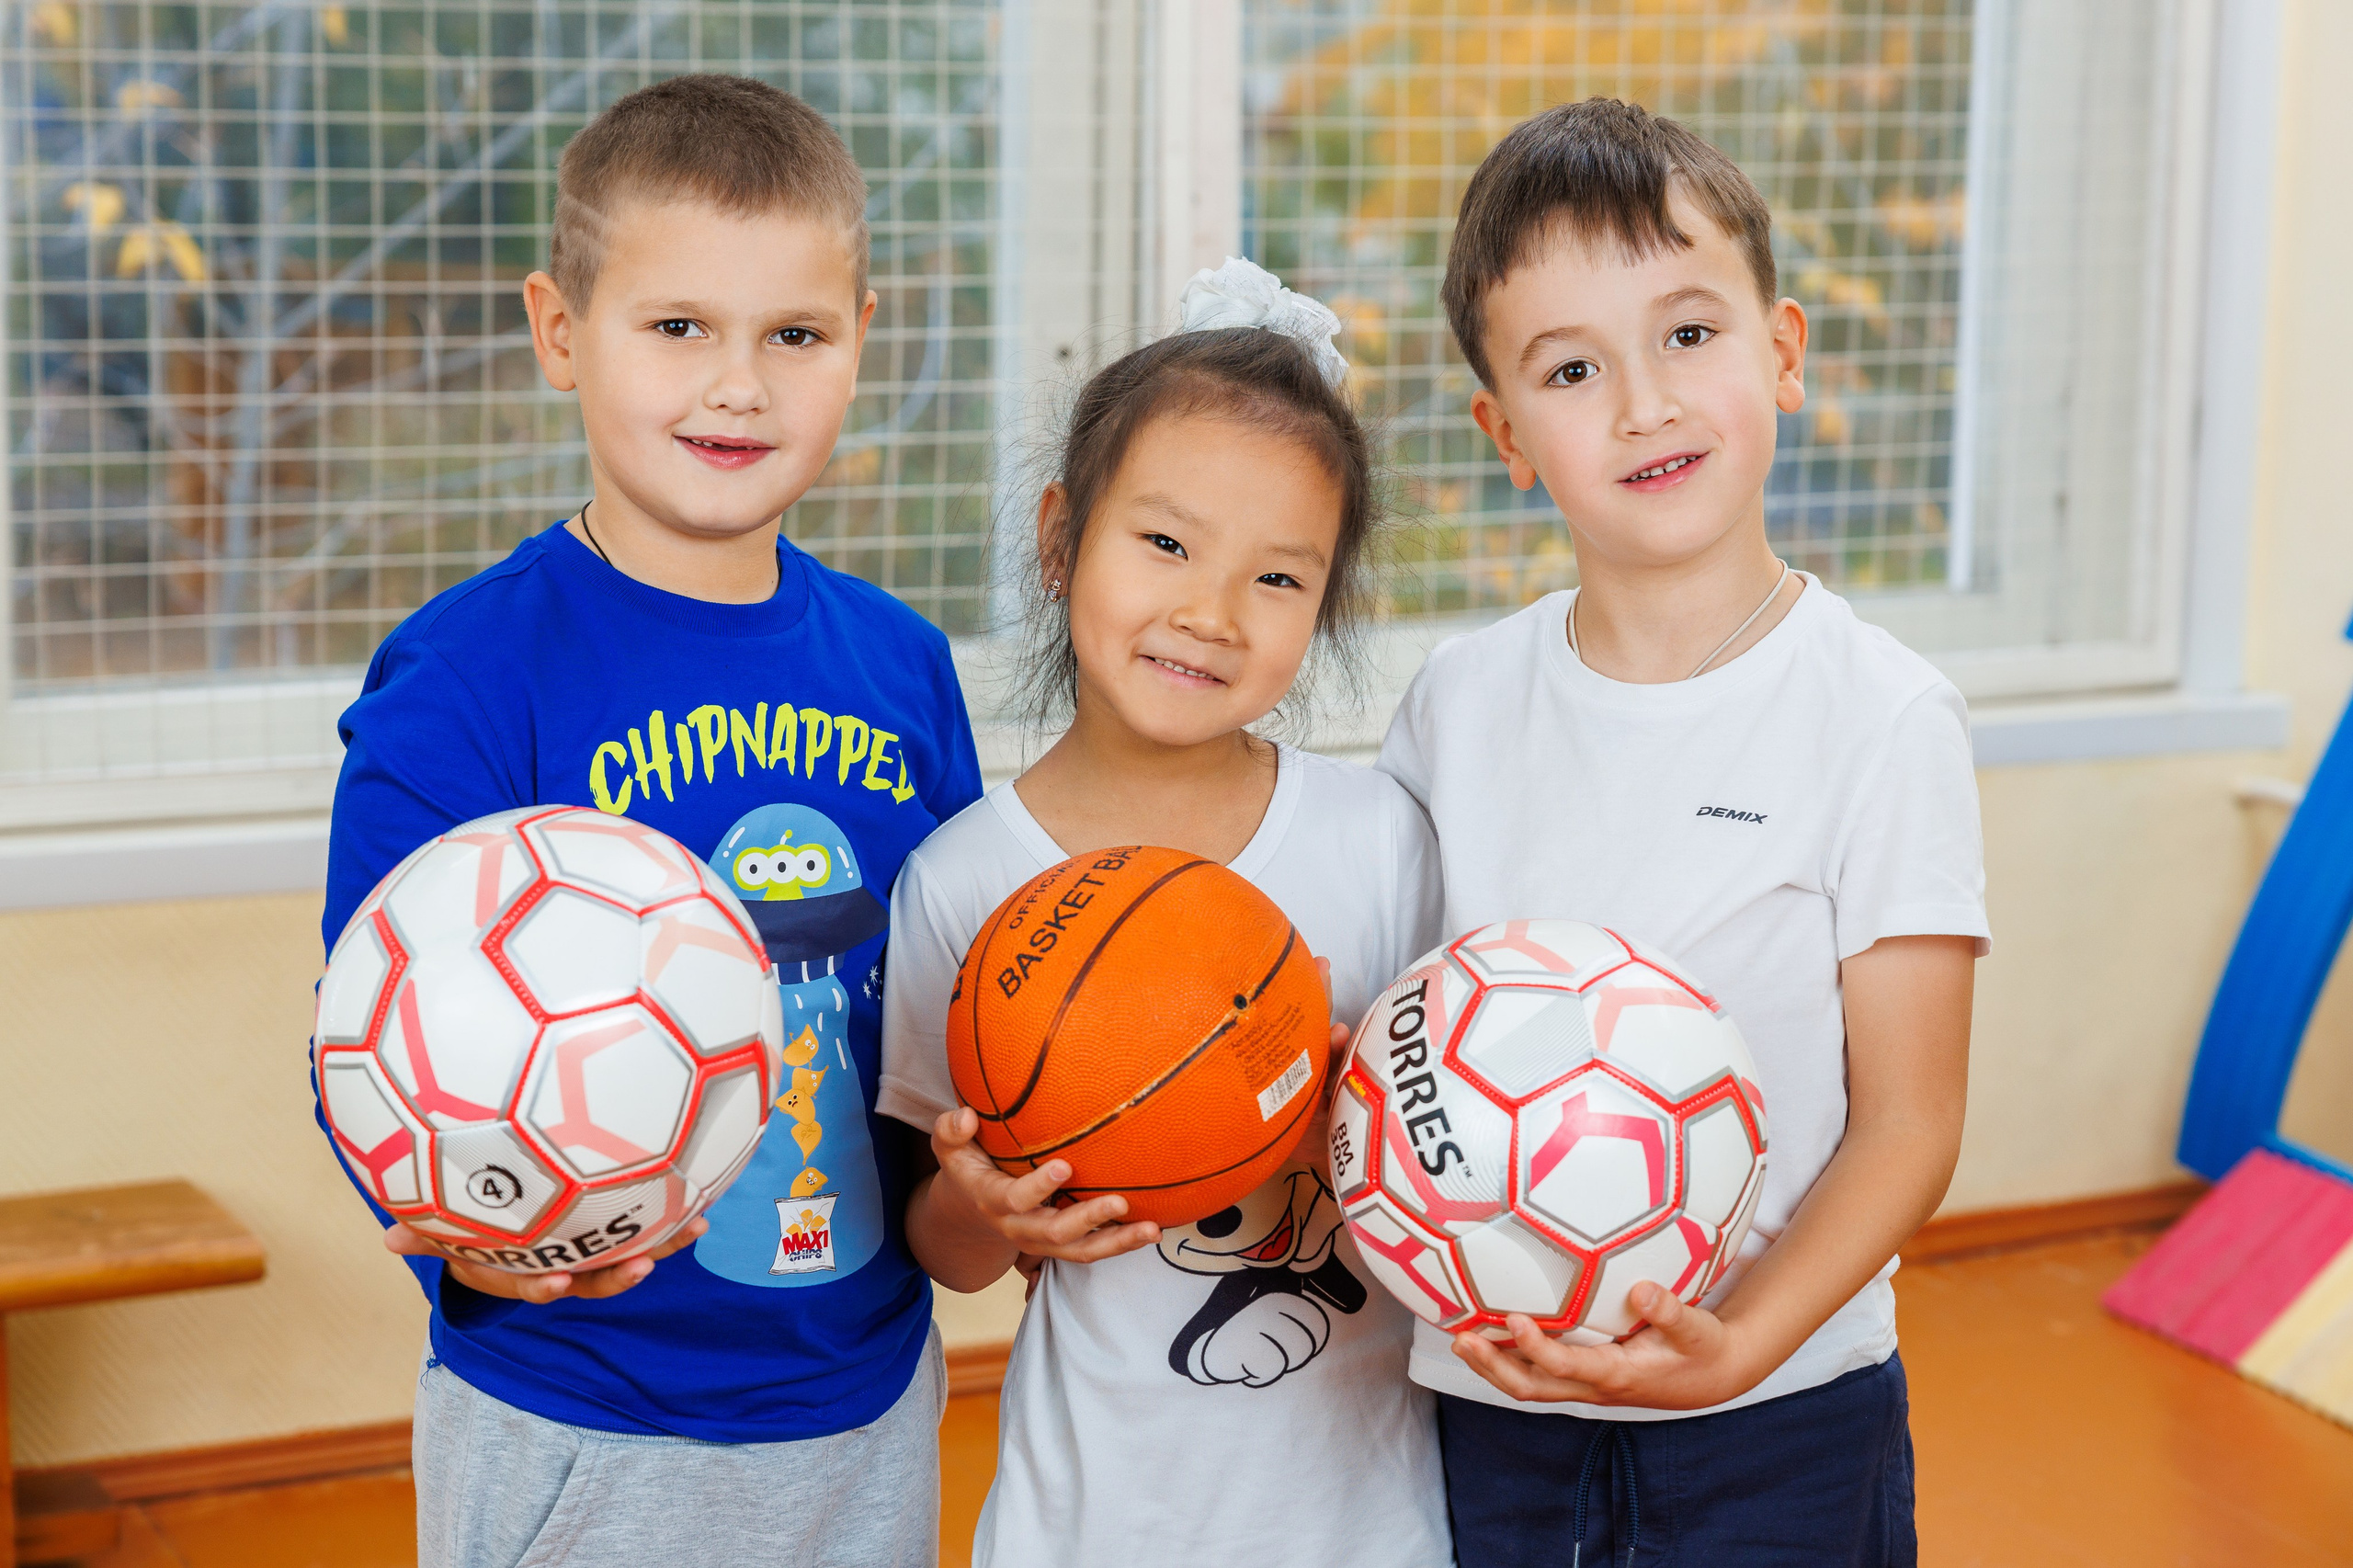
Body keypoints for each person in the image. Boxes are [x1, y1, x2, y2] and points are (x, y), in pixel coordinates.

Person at [317, 74, 980, 1568]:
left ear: (861, 337)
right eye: (678, 326)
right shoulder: (471, 672)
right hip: (579, 1409)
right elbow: (366, 1032)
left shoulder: (902, 664)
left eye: (792, 334)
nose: (736, 385)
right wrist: (457, 1215)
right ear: (561, 332)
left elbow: (946, 1021)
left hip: (860, 1394)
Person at [1382, 98, 1988, 1565]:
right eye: (1573, 368)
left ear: (1783, 350)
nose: (1644, 401)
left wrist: (1739, 1344)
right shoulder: (1458, 703)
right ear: (1506, 433)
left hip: (1781, 1409)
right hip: (1494, 1395)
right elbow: (1389, 1043)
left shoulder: (1884, 715)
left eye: (1690, 335)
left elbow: (1909, 1122)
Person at [877, 259, 1453, 1567]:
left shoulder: (1379, 843)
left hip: (1369, 1519)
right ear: (1059, 536)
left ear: (1326, 608)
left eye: (1279, 578)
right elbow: (945, 1249)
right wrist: (996, 1212)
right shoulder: (965, 878)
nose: (1208, 611)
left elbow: (1451, 1175)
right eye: (1168, 543)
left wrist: (1368, 1112)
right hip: (1092, 1518)